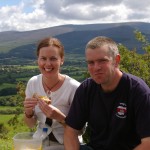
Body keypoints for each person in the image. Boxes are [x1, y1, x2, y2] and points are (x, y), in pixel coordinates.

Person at [64, 36, 150, 150]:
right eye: (91, 62)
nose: (96, 68)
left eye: (102, 61)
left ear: (116, 60)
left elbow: (148, 143)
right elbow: (70, 132)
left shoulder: (138, 91)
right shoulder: (86, 89)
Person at [23, 37, 83, 150]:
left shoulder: (74, 88)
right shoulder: (33, 83)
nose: (48, 64)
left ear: (62, 60)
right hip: (41, 142)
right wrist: (28, 113)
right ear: (38, 60)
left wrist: (60, 118)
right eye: (43, 58)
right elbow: (30, 124)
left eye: (53, 59)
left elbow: (80, 130)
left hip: (67, 144)